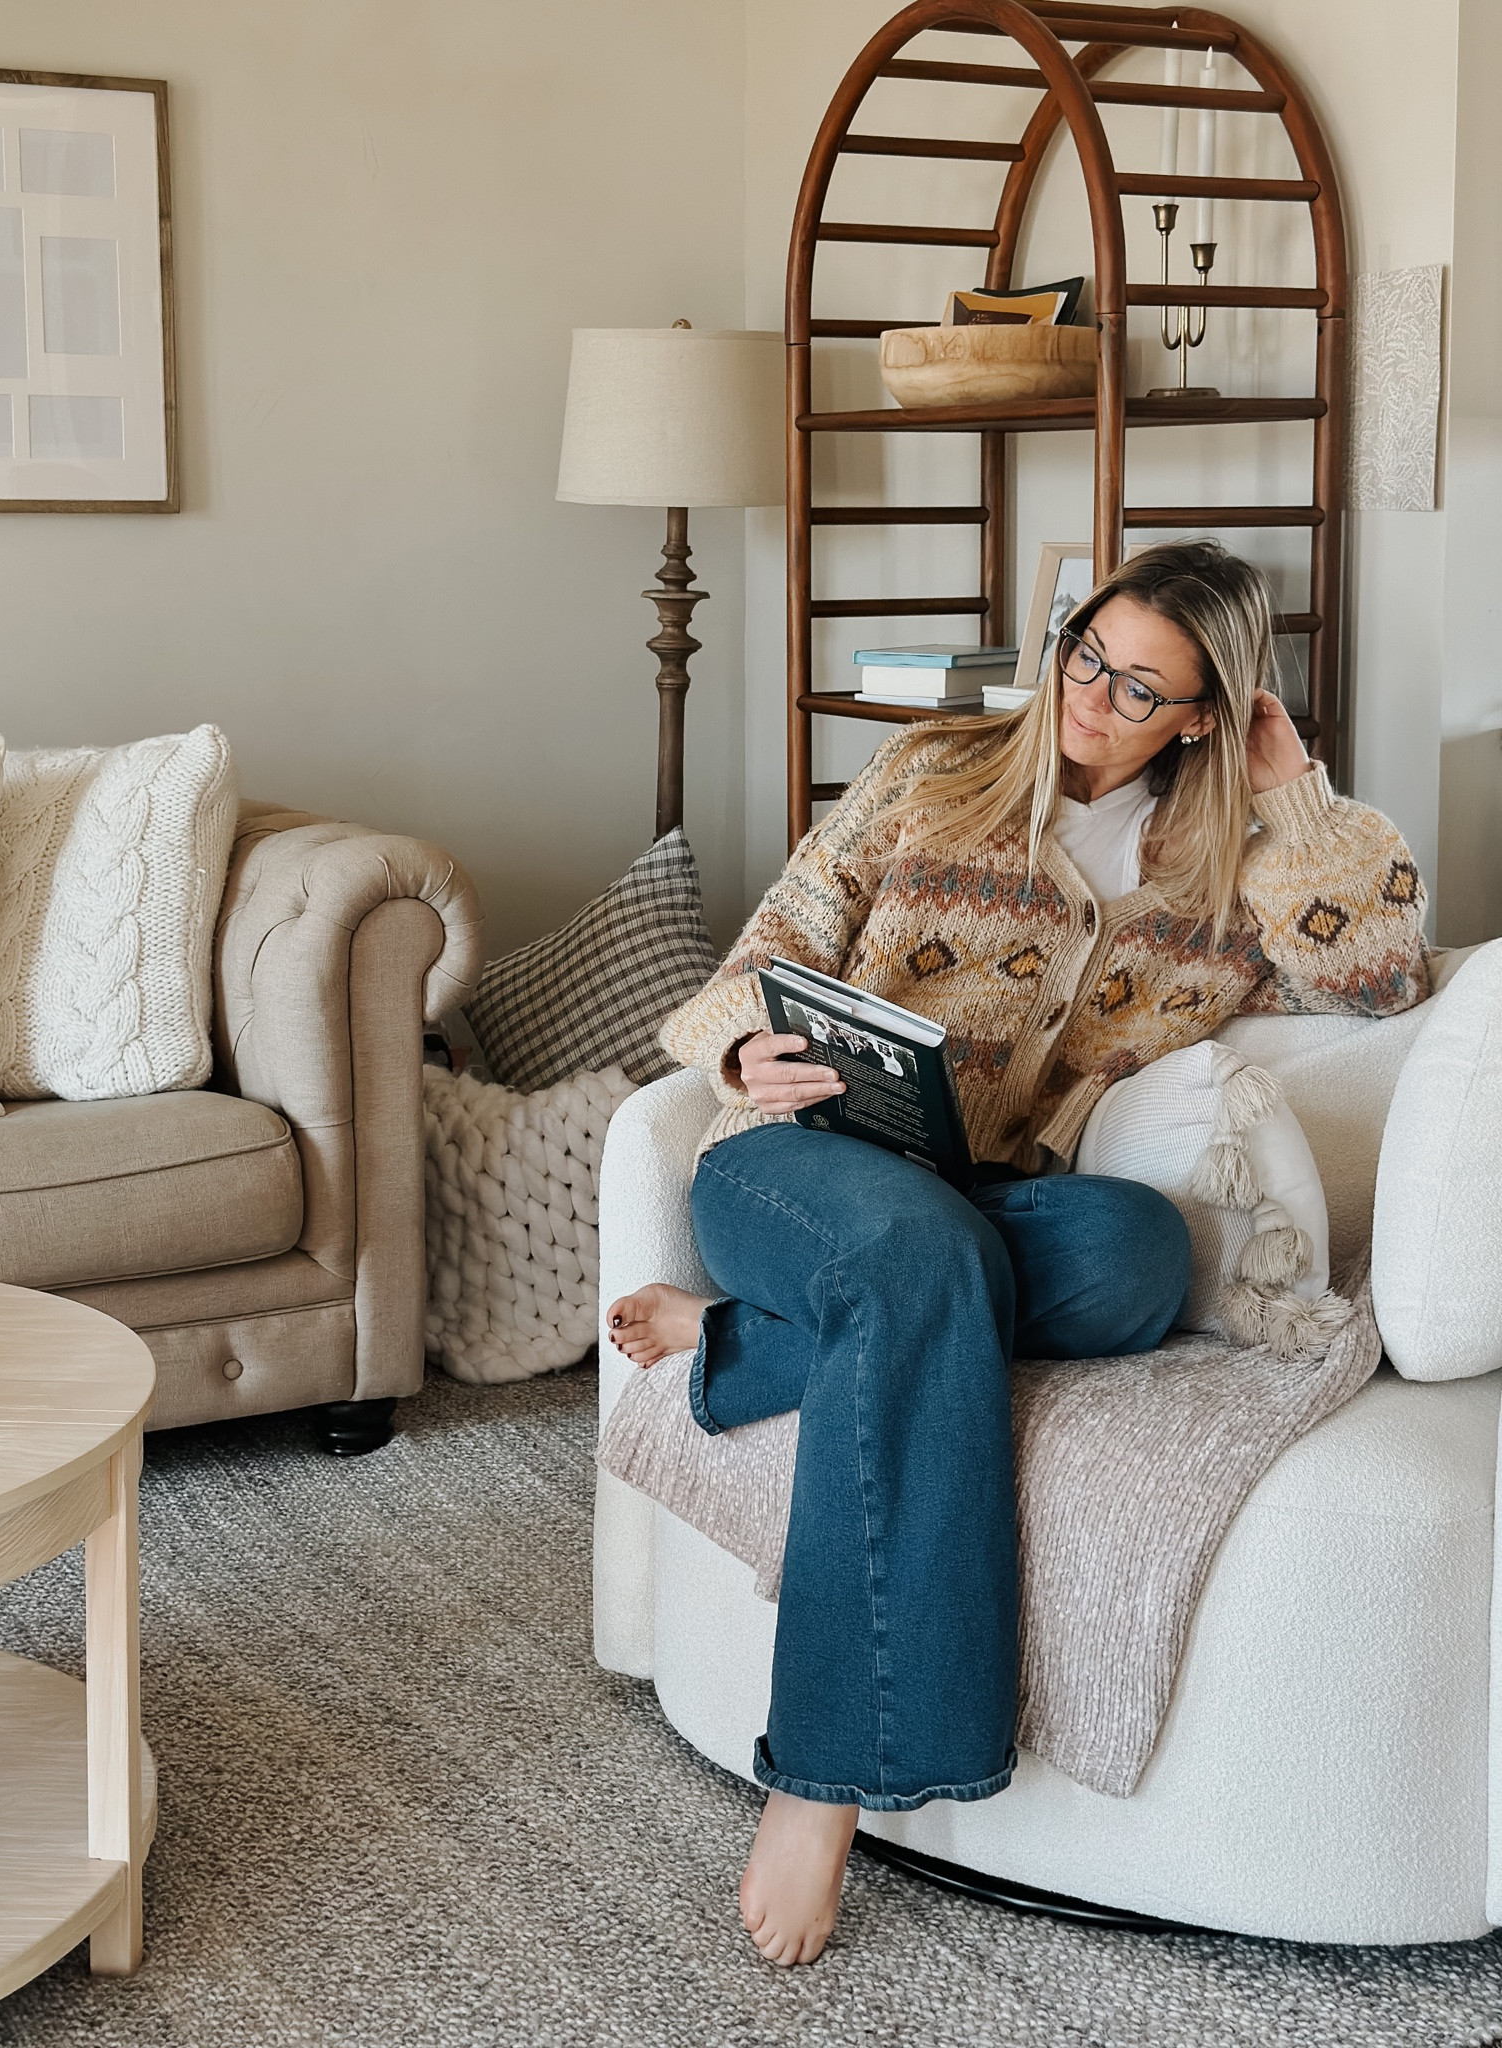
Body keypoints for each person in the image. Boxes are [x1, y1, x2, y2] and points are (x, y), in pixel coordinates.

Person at [606, 541, 1428, 1968]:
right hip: (794, 1171)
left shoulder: (1229, 869)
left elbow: (1381, 971)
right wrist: (750, 1047)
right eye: (1083, 655)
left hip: (988, 1202)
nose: (1091, 697)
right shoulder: (934, 769)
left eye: (1141, 687)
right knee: (920, 1257)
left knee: (1135, 1251)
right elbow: (765, 945)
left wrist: (1293, 785)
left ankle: (736, 1343)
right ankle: (825, 1777)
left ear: (1203, 718)